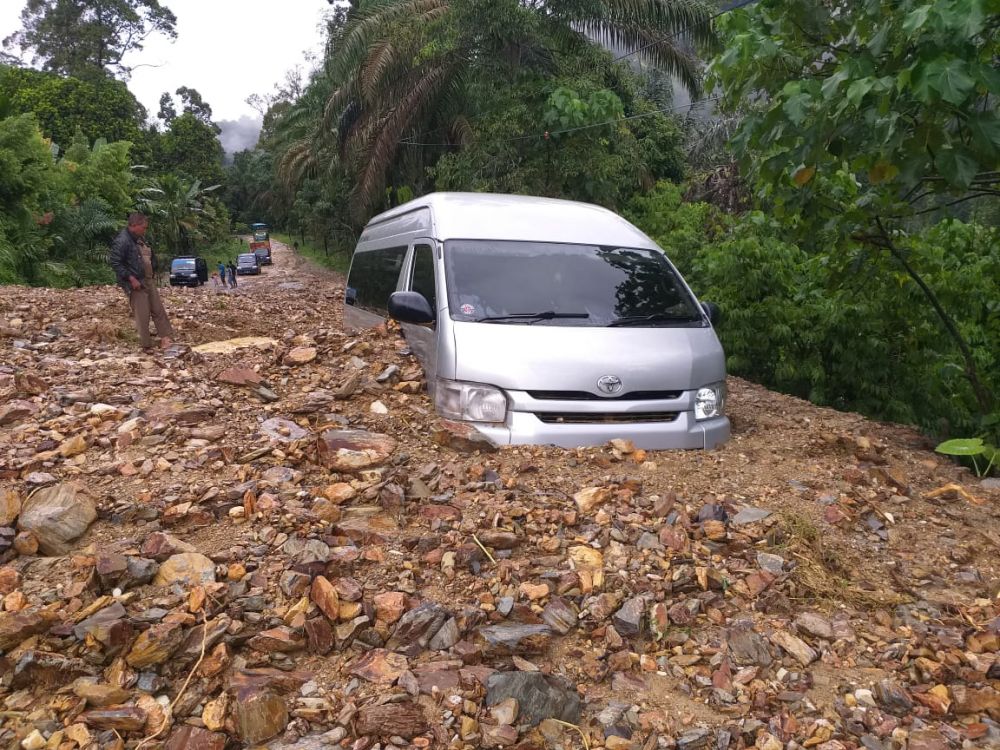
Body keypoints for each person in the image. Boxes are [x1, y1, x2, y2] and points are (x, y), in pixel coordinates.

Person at [109, 212, 175, 351]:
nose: (145, 230)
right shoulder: (122, 241)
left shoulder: (140, 239)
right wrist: (131, 278)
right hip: (135, 283)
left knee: (158, 310)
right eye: (143, 227)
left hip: (148, 279)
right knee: (142, 314)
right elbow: (115, 263)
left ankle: (166, 338)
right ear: (134, 225)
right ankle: (146, 344)